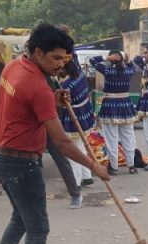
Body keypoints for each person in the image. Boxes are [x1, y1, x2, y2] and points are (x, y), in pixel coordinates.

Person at [0, 24, 108, 244]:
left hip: (1, 156)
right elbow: (62, 142)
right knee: (38, 228)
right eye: (55, 58)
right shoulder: (37, 86)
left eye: (65, 59)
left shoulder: (14, 67)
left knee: (21, 218)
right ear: (38, 52)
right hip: (21, 164)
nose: (61, 64)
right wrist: (95, 166)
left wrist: (53, 101)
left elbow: (24, 107)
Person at [90, 51, 138, 175]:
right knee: (128, 137)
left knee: (111, 138)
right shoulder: (129, 71)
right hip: (126, 105)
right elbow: (134, 66)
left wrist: (106, 57)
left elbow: (92, 60)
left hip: (110, 106)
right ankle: (132, 166)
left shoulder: (108, 71)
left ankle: (114, 167)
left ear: (111, 60)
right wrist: (127, 60)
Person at [57, 57, 96, 208]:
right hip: (84, 112)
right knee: (81, 146)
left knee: (73, 150)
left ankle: (76, 181)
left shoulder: (66, 85)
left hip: (73, 115)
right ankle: (86, 176)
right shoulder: (80, 75)